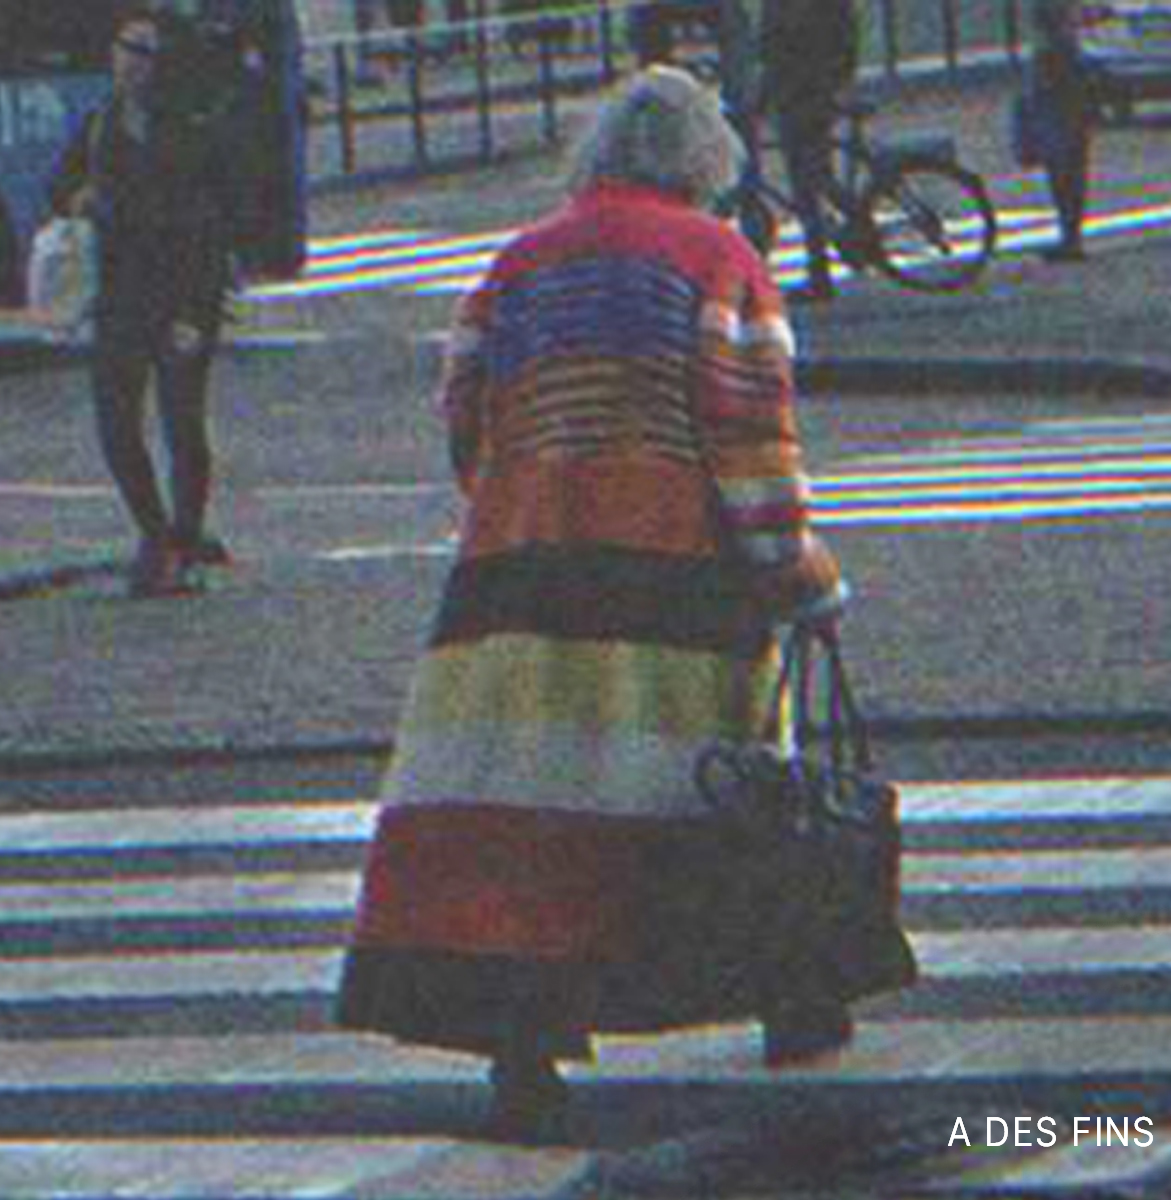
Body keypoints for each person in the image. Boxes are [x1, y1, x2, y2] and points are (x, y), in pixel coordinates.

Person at [334, 67, 909, 1144]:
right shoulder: (720, 262)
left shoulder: (516, 266)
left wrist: (531, 499)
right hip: (674, 588)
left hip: (517, 580)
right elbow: (751, 446)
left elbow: (466, 416)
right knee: (714, 800)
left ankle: (522, 1050)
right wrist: (801, 578)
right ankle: (789, 996)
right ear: (707, 164)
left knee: (527, 812)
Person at [49, 5, 243, 597]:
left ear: (162, 65)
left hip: (182, 294)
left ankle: (182, 539)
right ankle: (154, 531)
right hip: (121, 296)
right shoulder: (100, 125)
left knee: (183, 422)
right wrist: (76, 199)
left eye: (142, 52)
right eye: (123, 49)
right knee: (116, 422)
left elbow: (212, 221)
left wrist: (194, 312)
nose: (128, 63)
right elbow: (59, 187)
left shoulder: (187, 128)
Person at [759, 0, 859, 300]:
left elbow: (777, 47)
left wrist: (763, 94)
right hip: (814, 90)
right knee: (817, 177)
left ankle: (820, 273)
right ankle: (854, 230)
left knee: (807, 185)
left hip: (800, 95)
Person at [1031, 0, 1097, 261]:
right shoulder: (1066, 46)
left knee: (1063, 172)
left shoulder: (1054, 49)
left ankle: (1070, 238)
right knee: (1071, 171)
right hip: (1070, 108)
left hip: (1061, 109)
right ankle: (1071, 236)